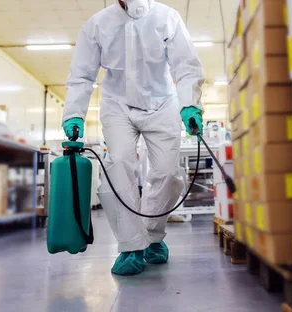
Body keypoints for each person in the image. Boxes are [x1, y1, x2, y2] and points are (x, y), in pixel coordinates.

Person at [62, 0, 204, 276]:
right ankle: (130, 246)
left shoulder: (168, 17)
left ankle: (151, 237)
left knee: (166, 173)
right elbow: (81, 74)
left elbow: (185, 65)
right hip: (118, 106)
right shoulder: (97, 25)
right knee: (119, 168)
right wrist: (74, 113)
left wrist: (190, 103)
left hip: (162, 104)